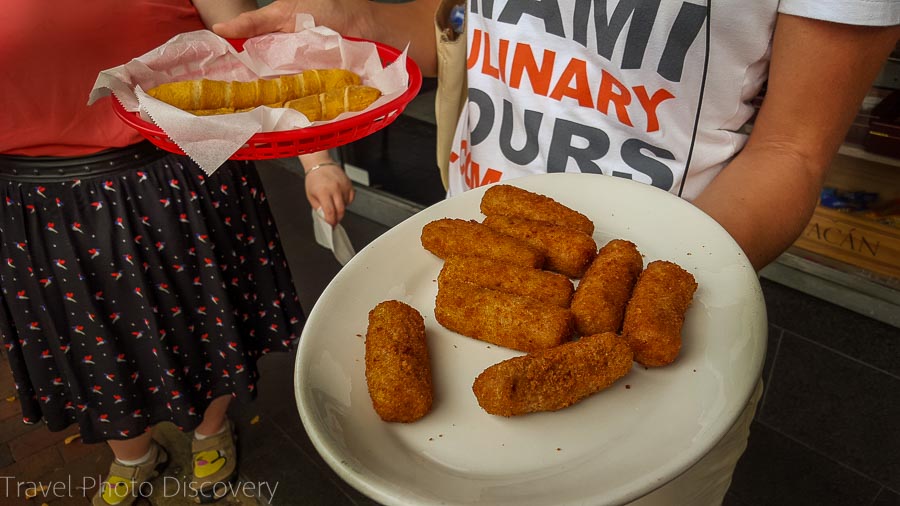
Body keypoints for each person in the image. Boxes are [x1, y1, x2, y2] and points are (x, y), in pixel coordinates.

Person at [213, 1, 900, 504]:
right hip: (476, 235)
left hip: (680, 302)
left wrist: (659, 279)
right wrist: (360, 21)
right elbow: (470, 26)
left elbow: (793, 148)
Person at [0, 1, 354, 505]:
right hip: (32, 204)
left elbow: (257, 47)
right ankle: (132, 452)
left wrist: (317, 158)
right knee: (85, 340)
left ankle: (212, 429)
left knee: (204, 322)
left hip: (174, 178)